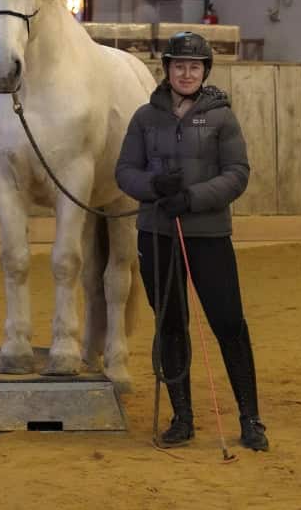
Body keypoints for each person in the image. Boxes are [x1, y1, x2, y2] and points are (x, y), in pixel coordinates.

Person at [115, 31, 269, 452]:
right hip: (157, 233)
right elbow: (124, 171)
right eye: (179, 66)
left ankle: (250, 418)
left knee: (228, 323)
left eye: (195, 67)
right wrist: (153, 184)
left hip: (208, 235)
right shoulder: (145, 118)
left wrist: (192, 198)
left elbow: (237, 173)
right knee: (170, 323)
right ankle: (182, 416)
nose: (186, 73)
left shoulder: (221, 117)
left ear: (205, 71)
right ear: (166, 70)